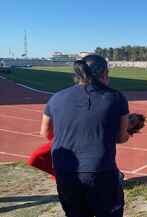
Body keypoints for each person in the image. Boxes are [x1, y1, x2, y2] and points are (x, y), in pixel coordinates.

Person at [40, 54, 129, 217]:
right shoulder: (116, 97)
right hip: (100, 171)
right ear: (105, 73)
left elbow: (46, 132)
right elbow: (121, 137)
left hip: (64, 172)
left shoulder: (56, 97)